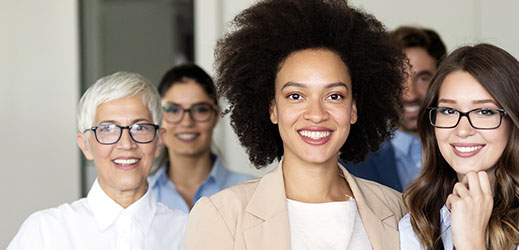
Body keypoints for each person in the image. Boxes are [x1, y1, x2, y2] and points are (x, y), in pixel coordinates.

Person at [183, 0, 408, 249]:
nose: (316, 114)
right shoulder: (222, 215)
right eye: (295, 96)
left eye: (334, 96)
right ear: (272, 109)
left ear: (353, 109)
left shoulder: (396, 209)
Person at [399, 43, 519, 250]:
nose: (462, 130)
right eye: (449, 111)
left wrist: (470, 242)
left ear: (515, 123)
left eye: (484, 112)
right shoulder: (415, 225)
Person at [8, 71, 187, 249]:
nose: (126, 143)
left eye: (140, 127)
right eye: (108, 129)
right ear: (85, 145)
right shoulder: (44, 233)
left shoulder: (188, 231)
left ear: (159, 141)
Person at [346, 26, 447, 191]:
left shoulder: (465, 152)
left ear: (441, 82)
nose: (410, 94)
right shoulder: (354, 166)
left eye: (423, 79)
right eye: (399, 79)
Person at [148, 63, 253, 212]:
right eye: (173, 110)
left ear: (216, 115)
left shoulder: (250, 192)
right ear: (158, 116)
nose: (187, 122)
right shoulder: (141, 194)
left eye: (200, 110)